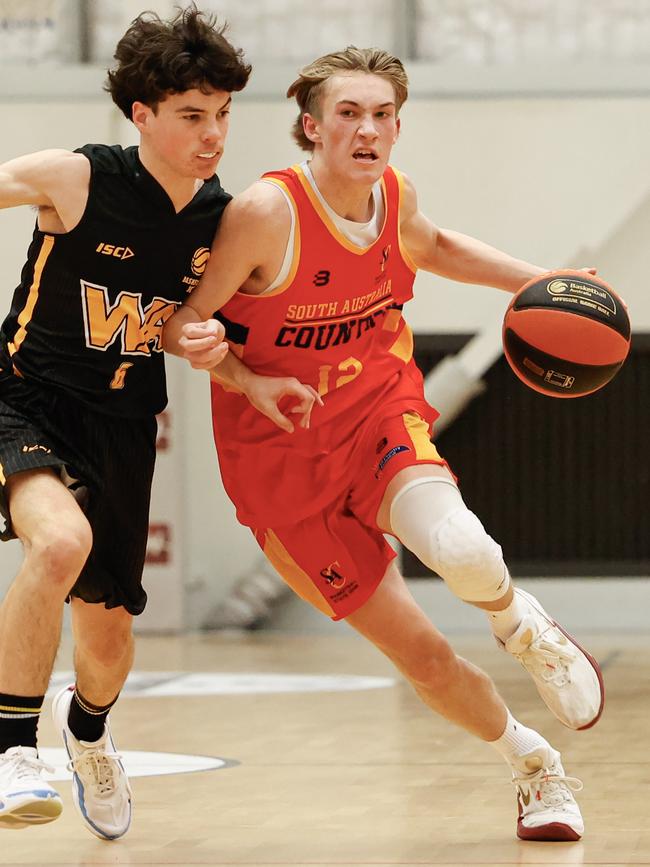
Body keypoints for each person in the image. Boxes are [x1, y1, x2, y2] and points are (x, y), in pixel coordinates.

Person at [163, 47, 604, 842]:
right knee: (426, 659)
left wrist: (542, 281)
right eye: (348, 113)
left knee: (461, 546)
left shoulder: (395, 198)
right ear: (311, 127)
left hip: (376, 412)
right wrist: (241, 374)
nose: (367, 129)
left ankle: (522, 625)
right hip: (281, 465)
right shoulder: (269, 213)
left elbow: (432, 247)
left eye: (381, 115)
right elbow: (183, 321)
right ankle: (533, 764)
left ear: (397, 128)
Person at [0, 5, 317, 839]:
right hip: (24, 396)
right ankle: (11, 749)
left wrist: (233, 367)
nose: (212, 134)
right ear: (140, 114)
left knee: (106, 637)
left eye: (221, 115)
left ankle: (89, 733)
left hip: (125, 420)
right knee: (57, 544)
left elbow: (178, 325)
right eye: (190, 116)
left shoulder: (219, 219)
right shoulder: (76, 177)